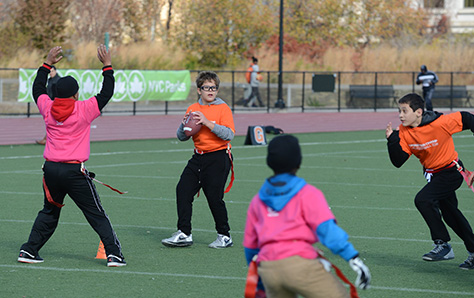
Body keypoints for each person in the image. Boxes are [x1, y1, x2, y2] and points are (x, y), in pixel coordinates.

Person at [17, 45, 126, 267]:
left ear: (55, 93)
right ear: (76, 94)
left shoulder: (47, 107)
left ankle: (29, 250)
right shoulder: (84, 109)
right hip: (73, 171)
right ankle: (114, 254)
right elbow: (106, 92)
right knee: (96, 213)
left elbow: (37, 88)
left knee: (49, 211)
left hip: (50, 170)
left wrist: (46, 63)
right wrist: (107, 65)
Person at [243, 134, 371, 298]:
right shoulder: (308, 194)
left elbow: (250, 246)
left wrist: (260, 281)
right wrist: (353, 258)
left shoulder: (258, 200)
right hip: (300, 265)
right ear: (298, 162)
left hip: (268, 268)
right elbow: (327, 230)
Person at [386, 93, 474, 270]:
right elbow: (398, 161)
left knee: (423, 199)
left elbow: (466, 118)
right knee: (451, 215)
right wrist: (392, 140)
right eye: (399, 111)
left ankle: (443, 245)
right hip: (433, 176)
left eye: (404, 111)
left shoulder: (440, 123)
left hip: (451, 171)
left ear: (418, 112)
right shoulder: (403, 131)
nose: (400, 115)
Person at [161, 71, 235, 249]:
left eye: (214, 88)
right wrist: (185, 124)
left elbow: (229, 134)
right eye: (206, 87)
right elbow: (181, 136)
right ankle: (184, 233)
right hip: (198, 157)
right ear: (199, 90)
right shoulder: (193, 108)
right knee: (183, 190)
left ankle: (224, 235)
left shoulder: (223, 108)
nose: (211, 91)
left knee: (214, 198)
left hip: (218, 157)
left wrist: (208, 122)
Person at [36, 65, 60, 145]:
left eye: (52, 71)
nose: (51, 73)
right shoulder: (50, 80)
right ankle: (47, 138)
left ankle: (47, 139)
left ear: (56, 71)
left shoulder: (57, 81)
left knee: (52, 122)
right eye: (50, 71)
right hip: (50, 103)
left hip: (55, 104)